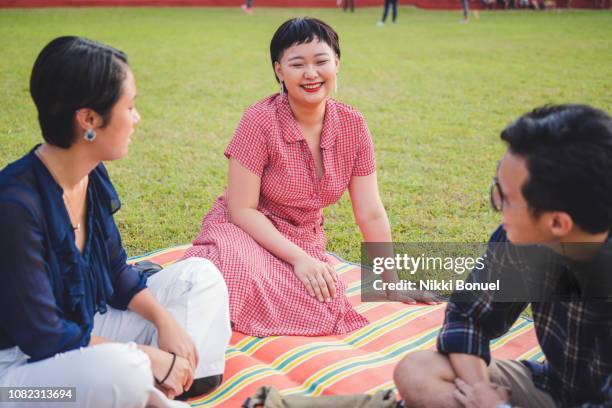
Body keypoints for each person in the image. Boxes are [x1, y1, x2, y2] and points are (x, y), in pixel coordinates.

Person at [0, 36, 231, 408]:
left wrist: (164, 322)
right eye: (130, 106)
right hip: (16, 379)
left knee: (200, 278)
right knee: (123, 369)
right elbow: (42, 337)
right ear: (89, 119)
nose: (137, 117)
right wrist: (144, 354)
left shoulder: (90, 175)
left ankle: (161, 386)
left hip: (85, 329)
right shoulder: (14, 206)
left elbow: (115, 271)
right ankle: (148, 387)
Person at [183, 17, 435, 338]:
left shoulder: (353, 125)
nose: (311, 73)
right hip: (247, 230)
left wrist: (391, 283)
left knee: (322, 306)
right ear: (279, 70)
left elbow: (370, 212)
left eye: (321, 61)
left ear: (337, 63)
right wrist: (300, 260)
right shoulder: (259, 120)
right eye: (297, 64)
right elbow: (241, 210)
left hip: (304, 237)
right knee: (231, 272)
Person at [393, 104, 612, 407]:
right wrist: (481, 390)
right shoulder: (525, 240)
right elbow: (469, 316)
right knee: (418, 370)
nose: (496, 205)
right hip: (555, 387)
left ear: (558, 223)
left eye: (506, 199)